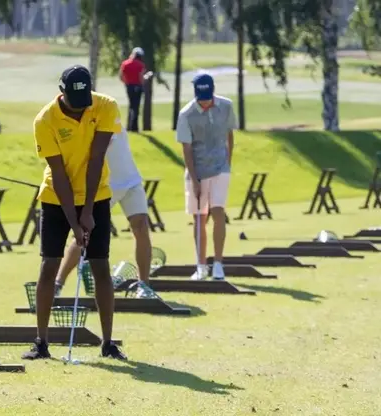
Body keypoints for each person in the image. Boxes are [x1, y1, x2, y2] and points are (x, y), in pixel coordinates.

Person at [23, 65, 127, 361]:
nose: (81, 109)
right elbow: (58, 173)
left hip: (97, 195)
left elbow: (96, 160)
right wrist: (74, 220)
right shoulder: (45, 120)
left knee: (101, 267)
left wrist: (89, 211)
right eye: (74, 102)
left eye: (84, 103)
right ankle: (41, 342)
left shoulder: (105, 107)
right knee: (48, 266)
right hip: (57, 197)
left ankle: (108, 343)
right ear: (62, 93)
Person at [53, 126, 158, 299]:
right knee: (84, 233)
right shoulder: (80, 119)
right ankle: (58, 284)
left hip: (131, 181)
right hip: (103, 186)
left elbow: (103, 142)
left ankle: (144, 285)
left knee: (141, 227)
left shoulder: (108, 109)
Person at [175, 73, 236, 281]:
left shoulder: (226, 106)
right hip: (197, 171)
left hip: (220, 168)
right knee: (200, 218)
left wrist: (228, 163)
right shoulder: (186, 114)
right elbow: (187, 149)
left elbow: (229, 135)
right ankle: (201, 266)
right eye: (201, 96)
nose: (205, 100)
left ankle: (218, 265)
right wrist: (194, 179)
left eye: (207, 95)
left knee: (218, 212)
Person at [119, 47, 147, 132]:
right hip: (137, 87)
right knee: (136, 107)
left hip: (129, 86)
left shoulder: (125, 63)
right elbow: (141, 78)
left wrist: (126, 83)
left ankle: (130, 126)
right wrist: (145, 80)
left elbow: (121, 76)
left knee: (131, 106)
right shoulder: (141, 65)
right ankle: (134, 127)